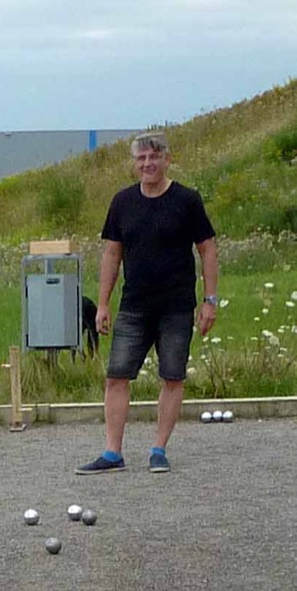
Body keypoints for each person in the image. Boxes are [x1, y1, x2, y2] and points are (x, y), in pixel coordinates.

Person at [76, 132, 218, 475]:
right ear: (134, 163)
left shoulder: (187, 200)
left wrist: (209, 299)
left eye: (154, 158)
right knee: (116, 376)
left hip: (176, 305)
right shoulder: (122, 202)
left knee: (172, 377)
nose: (147, 164)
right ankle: (113, 452)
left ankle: (159, 449)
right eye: (141, 159)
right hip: (134, 306)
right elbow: (112, 252)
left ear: (167, 159)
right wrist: (104, 303)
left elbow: (208, 248)